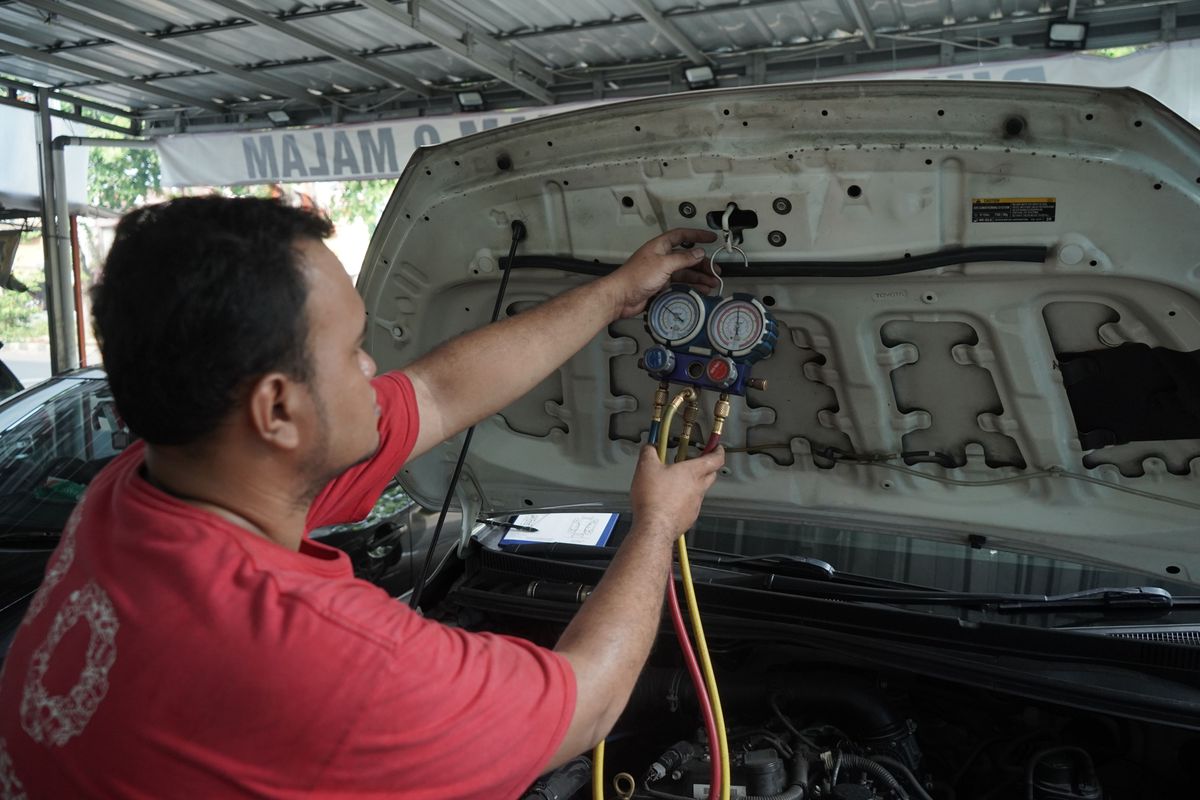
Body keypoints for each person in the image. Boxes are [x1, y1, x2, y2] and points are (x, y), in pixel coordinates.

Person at [0, 196, 725, 798]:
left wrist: (614, 294)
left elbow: (438, 394)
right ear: (277, 411)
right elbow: (590, 703)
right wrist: (657, 525)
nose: (374, 367)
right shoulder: (328, 660)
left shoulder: (133, 493)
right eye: (352, 350)